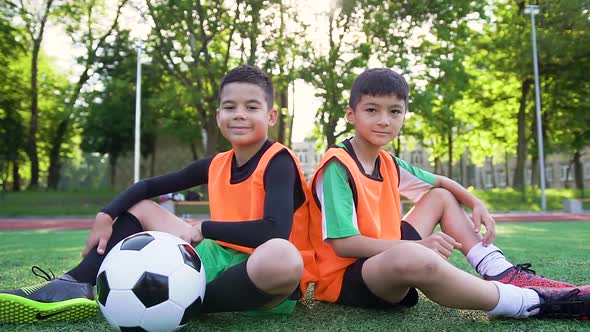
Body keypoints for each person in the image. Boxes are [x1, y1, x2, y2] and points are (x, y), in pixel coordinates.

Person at [0, 65, 317, 323]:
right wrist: (106, 214)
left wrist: (205, 228)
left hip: (265, 274)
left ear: (271, 117)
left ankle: (191, 303)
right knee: (141, 207)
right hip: (219, 256)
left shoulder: (279, 161)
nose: (239, 114)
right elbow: (148, 187)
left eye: (252, 107)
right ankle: (74, 284)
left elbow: (274, 231)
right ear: (218, 114)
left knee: (282, 255)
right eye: (229, 107)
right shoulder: (218, 163)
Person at [307, 68, 589, 319]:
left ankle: (498, 269)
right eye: (372, 110)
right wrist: (418, 246)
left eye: (394, 111)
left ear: (404, 114)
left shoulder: (387, 162)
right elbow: (344, 244)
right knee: (414, 257)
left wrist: (475, 202)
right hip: (349, 278)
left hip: (386, 254)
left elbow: (440, 183)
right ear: (350, 114)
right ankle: (529, 302)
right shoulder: (337, 165)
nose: (384, 120)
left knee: (441, 197)